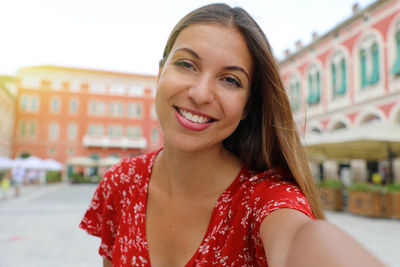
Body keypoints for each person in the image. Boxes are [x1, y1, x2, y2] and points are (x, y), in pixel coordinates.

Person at [80, 3, 384, 266]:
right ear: (160, 73)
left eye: (230, 80)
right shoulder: (120, 183)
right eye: (186, 64)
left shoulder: (263, 201)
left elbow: (301, 238)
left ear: (247, 106)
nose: (200, 94)